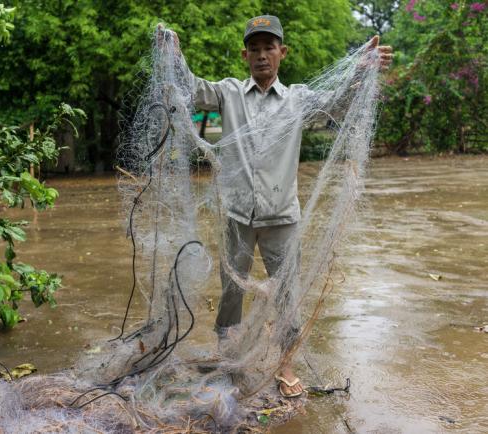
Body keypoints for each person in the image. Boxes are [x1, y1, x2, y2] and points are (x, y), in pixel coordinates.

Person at [165, 15, 393, 398]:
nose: (261, 55)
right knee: (230, 293)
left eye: (269, 47)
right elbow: (192, 91)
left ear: (282, 53)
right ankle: (229, 359)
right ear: (244, 54)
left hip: (283, 217)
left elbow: (338, 99)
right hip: (237, 215)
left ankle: (285, 364)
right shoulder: (227, 93)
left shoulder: (298, 99)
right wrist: (173, 54)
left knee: (286, 293)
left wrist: (361, 69)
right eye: (254, 48)